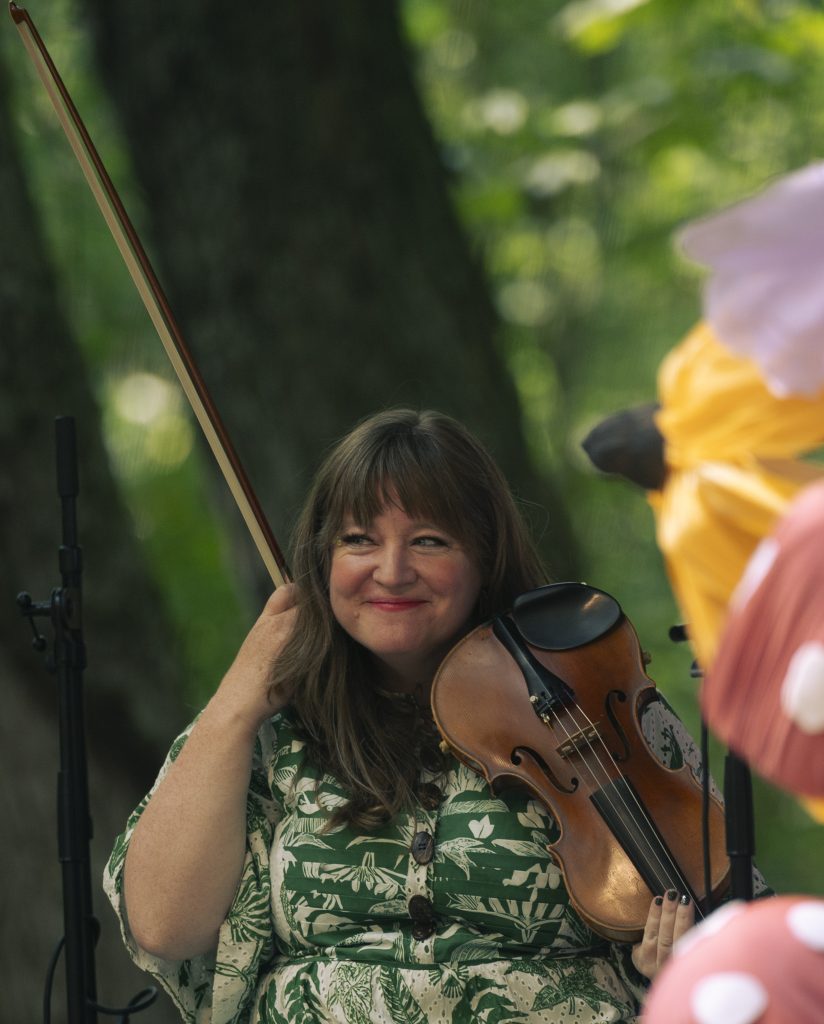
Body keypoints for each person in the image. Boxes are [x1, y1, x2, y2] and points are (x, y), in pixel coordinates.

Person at [105, 408, 700, 1024]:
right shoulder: (269, 733)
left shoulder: (587, 701)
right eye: (359, 540)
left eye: (429, 541)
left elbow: (724, 925)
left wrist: (675, 966)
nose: (390, 571)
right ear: (323, 560)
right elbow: (165, 927)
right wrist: (236, 701)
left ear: (485, 557)